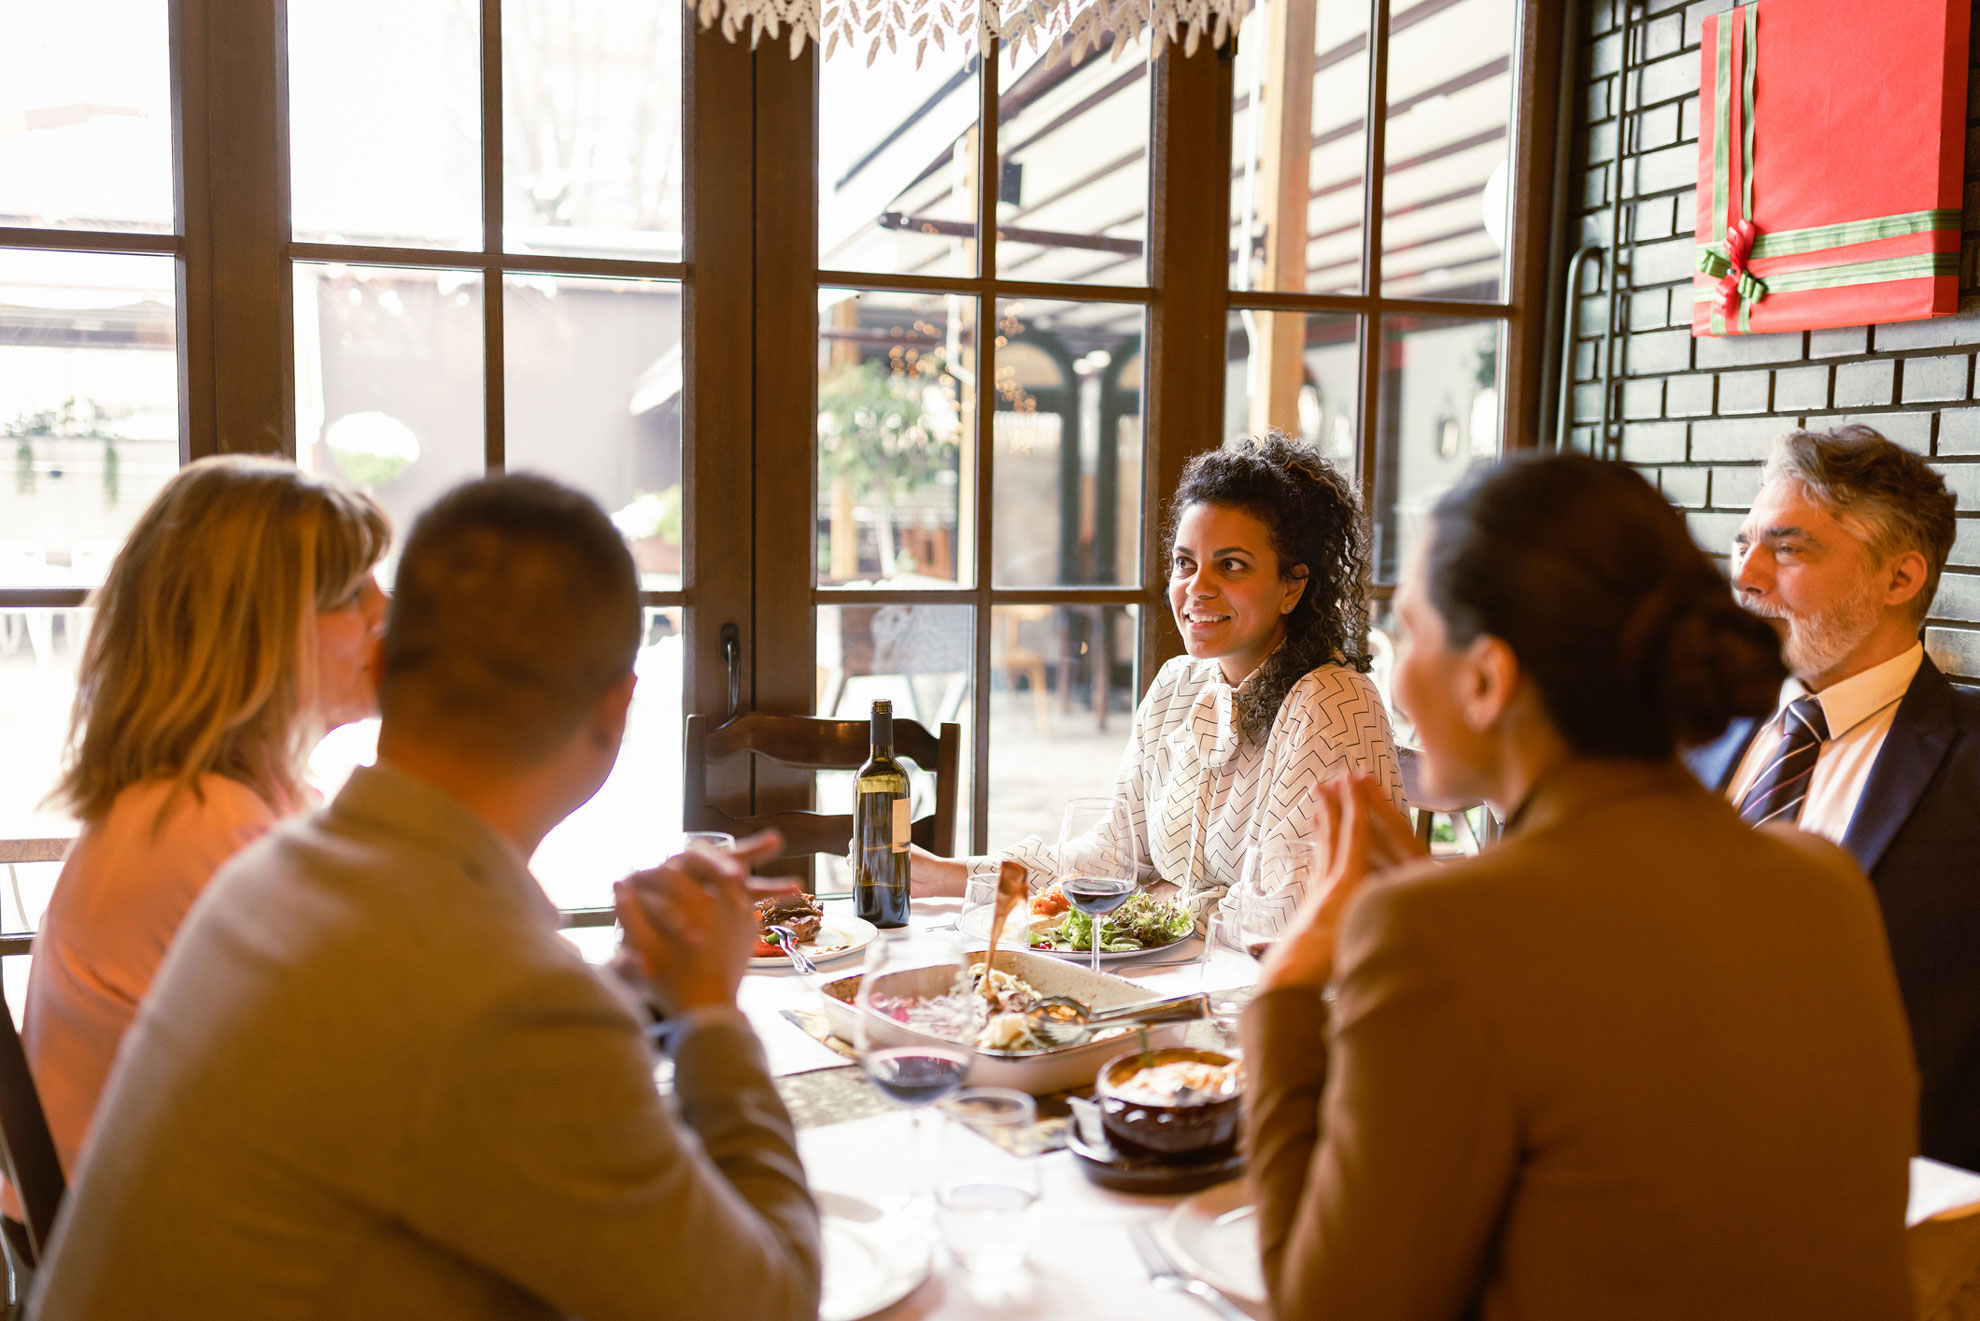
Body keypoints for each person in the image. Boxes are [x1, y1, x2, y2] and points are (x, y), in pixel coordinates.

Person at [30, 476, 821, 1320]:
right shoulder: (494, 990)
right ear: (617, 708)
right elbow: (762, 1304)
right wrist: (710, 1016)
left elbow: (413, 1051)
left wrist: (630, 986)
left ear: (387, 664)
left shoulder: (278, 867)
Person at [1244, 453, 1916, 1320]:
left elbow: (1331, 1307)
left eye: (1407, 633)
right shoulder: (1826, 884)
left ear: (1486, 679)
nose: (1396, 677)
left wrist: (1295, 973)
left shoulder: (1438, 932)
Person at [23, 455, 389, 1181]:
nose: (385, 612)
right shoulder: (208, 827)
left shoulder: (206, 804)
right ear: (255, 633)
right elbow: (370, 1067)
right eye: (352, 594)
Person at [910, 431, 1403, 928]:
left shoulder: (1330, 703)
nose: (1197, 589)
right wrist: (950, 875)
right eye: (1185, 564)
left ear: (1291, 587)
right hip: (1188, 981)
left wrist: (1167, 900)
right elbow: (1114, 856)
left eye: (1231, 566)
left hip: (1285, 998)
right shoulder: (1178, 686)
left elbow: (1286, 918)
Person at [1687, 424, 1980, 1173]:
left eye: (1788, 548)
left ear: (1899, 578)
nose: (1745, 576)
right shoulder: (1692, 728)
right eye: (1743, 541)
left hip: (1882, 1204)